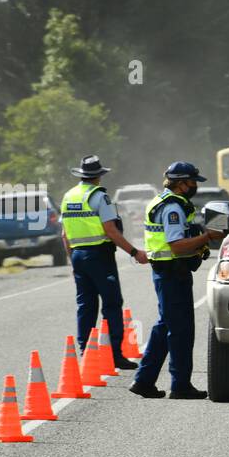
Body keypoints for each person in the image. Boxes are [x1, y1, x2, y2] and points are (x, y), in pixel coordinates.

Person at [129, 161, 223, 400]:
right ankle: (180, 385)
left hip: (168, 272)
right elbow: (177, 245)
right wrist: (206, 237)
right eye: (192, 182)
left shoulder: (163, 201)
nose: (195, 187)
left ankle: (143, 381)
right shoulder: (173, 208)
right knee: (180, 330)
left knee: (166, 326)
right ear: (181, 184)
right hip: (172, 272)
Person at [59, 155, 148, 368]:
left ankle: (86, 353)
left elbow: (64, 235)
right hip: (99, 256)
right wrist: (135, 252)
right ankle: (115, 355)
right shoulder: (100, 196)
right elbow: (111, 231)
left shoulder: (69, 196)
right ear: (98, 175)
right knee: (111, 303)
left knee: (86, 305)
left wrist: (73, 261)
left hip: (78, 255)